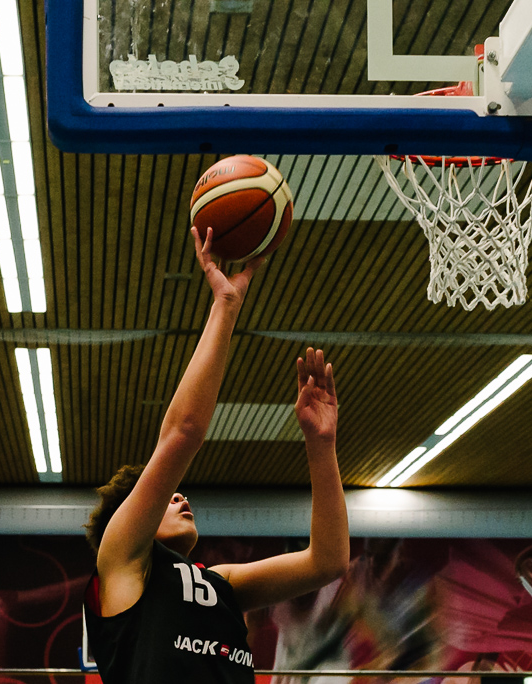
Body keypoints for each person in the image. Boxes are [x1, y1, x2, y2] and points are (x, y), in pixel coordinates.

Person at [83, 226, 349, 684]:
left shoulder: (219, 584)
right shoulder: (122, 562)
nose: (181, 497)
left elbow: (328, 562)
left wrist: (321, 446)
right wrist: (225, 306)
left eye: (177, 494)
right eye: (168, 498)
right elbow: (183, 433)